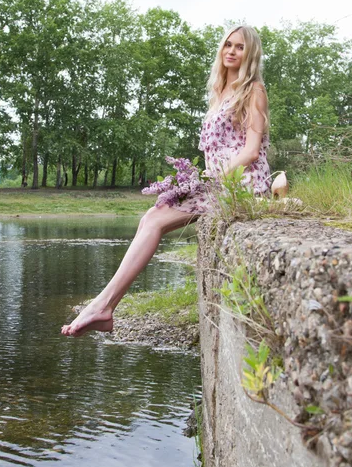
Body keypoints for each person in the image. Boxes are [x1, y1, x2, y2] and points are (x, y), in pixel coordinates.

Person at [61, 25, 271, 338]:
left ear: (250, 53)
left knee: (155, 219)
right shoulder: (220, 93)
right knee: (152, 215)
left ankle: (103, 306)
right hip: (218, 184)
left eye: (239, 47)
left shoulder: (253, 91)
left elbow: (251, 152)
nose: (231, 51)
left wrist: (212, 177)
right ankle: (104, 306)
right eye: (228, 44)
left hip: (242, 185)